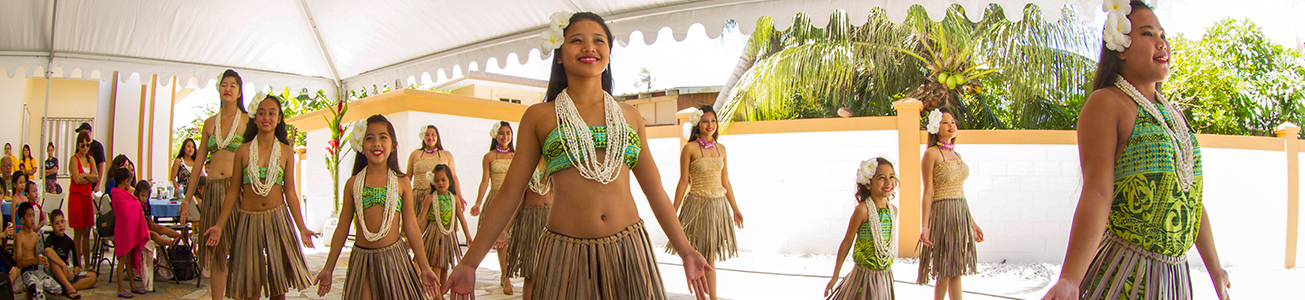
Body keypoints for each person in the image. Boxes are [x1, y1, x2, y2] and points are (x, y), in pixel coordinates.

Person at [445, 11, 712, 300]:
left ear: (608, 52)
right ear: (559, 54)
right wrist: (470, 262)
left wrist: (686, 251)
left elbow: (655, 190)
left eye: (599, 40)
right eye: (576, 40)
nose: (589, 47)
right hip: (565, 253)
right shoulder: (540, 116)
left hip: (628, 250)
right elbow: (510, 193)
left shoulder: (630, 116)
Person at [1041, 2, 1230, 299]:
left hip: (1175, 281)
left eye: (1162, 34)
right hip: (1125, 276)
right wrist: (1070, 278)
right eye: (1147, 34)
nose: (1161, 42)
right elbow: (1097, 192)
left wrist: (1216, 271)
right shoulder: (1107, 103)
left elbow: (1190, 200)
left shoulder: (1173, 115)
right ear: (1121, 48)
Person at [202, 95, 318, 299]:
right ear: (254, 119)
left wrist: (301, 227)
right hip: (248, 220)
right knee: (250, 285)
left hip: (277, 220)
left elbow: (290, 193)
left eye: (272, 113)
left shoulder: (286, 152)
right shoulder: (243, 151)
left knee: (277, 284)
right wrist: (219, 225)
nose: (267, 117)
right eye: (261, 113)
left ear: (279, 118)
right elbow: (233, 192)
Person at [314, 115, 438, 299]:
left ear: (393, 145)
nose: (376, 143)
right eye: (369, 138)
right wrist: (328, 268)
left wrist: (425, 267)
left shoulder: (402, 182)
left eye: (383, 137)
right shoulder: (353, 184)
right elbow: (341, 228)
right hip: (362, 261)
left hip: (394, 259)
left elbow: (411, 226)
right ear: (361, 146)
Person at [180, 69, 248, 300]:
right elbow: (198, 163)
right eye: (224, 85)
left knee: (240, 249)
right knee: (216, 251)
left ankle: (240, 295)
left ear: (239, 92)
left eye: (232, 85)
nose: (227, 89)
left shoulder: (248, 122)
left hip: (237, 189)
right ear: (219, 90)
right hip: (212, 189)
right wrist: (187, 198)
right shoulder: (210, 123)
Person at [668, 105, 743, 300]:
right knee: (704, 256)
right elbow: (684, 181)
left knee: (710, 257)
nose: (710, 125)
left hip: (718, 206)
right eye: (705, 121)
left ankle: (711, 298)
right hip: (697, 205)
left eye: (713, 121)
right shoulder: (689, 148)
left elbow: (725, 181)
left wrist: (735, 209)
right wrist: (672, 211)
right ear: (697, 124)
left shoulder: (722, 149)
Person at [916, 107, 983, 300]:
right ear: (936, 127)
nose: (951, 125)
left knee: (957, 270)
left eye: (953, 122)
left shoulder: (957, 156)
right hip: (942, 214)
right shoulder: (931, 154)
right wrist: (925, 226)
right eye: (946, 122)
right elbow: (928, 192)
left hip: (959, 214)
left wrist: (972, 223)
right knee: (944, 271)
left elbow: (960, 193)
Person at [825, 157, 899, 300]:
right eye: (881, 178)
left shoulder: (893, 211)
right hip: (864, 278)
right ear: (868, 184)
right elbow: (847, 242)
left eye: (892, 177)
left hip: (885, 276)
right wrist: (835, 276)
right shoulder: (863, 210)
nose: (889, 182)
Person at [468, 120, 515, 294]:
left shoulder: (516, 156)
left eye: (508, 133)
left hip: (513, 200)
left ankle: (507, 273)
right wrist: (478, 203)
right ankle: (505, 276)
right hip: (495, 199)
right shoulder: (489, 156)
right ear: (495, 135)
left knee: (509, 238)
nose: (505, 136)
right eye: (502, 133)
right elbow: (484, 181)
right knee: (499, 239)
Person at [407, 125, 472, 242]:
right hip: (419, 197)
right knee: (419, 234)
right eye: (427, 134)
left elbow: (454, 177)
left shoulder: (446, 154)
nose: (430, 137)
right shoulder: (415, 154)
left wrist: (460, 197)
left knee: (437, 236)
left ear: (438, 136)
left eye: (433, 134)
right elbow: (407, 177)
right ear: (422, 136)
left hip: (441, 197)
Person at [502, 160, 552, 300]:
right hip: (530, 219)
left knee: (550, 270)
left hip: (551, 218)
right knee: (531, 270)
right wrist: (505, 229)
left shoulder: (554, 161)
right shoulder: (527, 164)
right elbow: (517, 200)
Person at [417, 164, 464, 299]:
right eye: (436, 180)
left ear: (450, 180)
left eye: (443, 179)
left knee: (445, 265)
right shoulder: (430, 198)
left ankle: (442, 291)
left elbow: (461, 219)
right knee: (436, 263)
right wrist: (412, 234)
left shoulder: (454, 198)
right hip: (434, 233)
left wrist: (467, 236)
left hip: (448, 235)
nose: (440, 183)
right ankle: (437, 294)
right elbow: (421, 218)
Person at [109, 169, 149, 298]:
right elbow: (128, 210)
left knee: (129, 260)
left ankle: (132, 285)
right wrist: (136, 204)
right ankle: (120, 288)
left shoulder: (123, 194)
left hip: (128, 231)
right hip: (122, 232)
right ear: (126, 181)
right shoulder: (117, 196)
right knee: (122, 260)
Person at [14, 202, 62, 300]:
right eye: (29, 216)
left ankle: (34, 290)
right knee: (40, 296)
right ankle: (33, 289)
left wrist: (43, 261)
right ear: (22, 220)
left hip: (37, 271)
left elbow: (37, 255)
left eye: (33, 215)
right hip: (26, 271)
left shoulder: (35, 236)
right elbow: (18, 262)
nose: (32, 219)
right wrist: (34, 261)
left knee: (58, 290)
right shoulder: (19, 238)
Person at [44, 209, 95, 299]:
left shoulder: (69, 241)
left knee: (92, 277)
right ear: (52, 226)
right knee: (54, 260)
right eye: (57, 223)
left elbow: (77, 265)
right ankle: (69, 288)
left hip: (65, 274)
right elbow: (47, 250)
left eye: (61, 222)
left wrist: (74, 273)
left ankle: (65, 287)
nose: (60, 225)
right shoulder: (50, 238)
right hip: (55, 273)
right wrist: (62, 264)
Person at [66, 132, 98, 269]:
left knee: (87, 231)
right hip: (76, 197)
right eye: (82, 145)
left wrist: (85, 175)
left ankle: (88, 264)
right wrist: (88, 177)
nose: (85, 147)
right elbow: (76, 179)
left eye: (87, 145)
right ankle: (77, 263)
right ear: (78, 145)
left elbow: (96, 177)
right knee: (77, 232)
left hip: (86, 197)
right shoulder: (74, 159)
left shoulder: (90, 159)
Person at [133, 181, 180, 247]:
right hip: (139, 229)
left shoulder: (146, 205)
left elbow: (149, 219)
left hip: (147, 225)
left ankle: (181, 237)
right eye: (142, 196)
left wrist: (156, 226)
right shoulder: (134, 204)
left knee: (161, 228)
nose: (144, 199)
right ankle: (170, 243)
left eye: (146, 196)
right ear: (136, 193)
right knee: (153, 234)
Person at [73, 123, 106, 193]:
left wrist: (98, 184)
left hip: (93, 185)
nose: (85, 148)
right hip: (80, 186)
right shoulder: (76, 155)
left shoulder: (97, 146)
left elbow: (102, 166)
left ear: (88, 132)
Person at [172, 138, 196, 212]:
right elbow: (173, 178)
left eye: (192, 147)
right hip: (182, 194)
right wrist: (177, 189)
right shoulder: (179, 161)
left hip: (194, 193)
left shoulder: (196, 162)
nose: (190, 149)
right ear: (183, 148)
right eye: (188, 146)